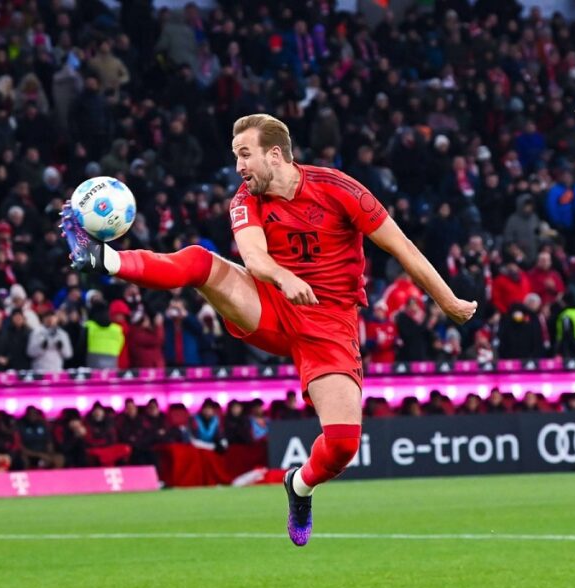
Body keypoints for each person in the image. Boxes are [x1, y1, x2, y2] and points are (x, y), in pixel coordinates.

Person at [60, 113, 476, 546]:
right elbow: (254, 258)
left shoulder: (340, 189)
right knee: (202, 262)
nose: (239, 166)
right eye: (235, 156)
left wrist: (447, 301)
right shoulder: (245, 199)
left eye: (245, 155)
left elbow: (402, 246)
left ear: (274, 154)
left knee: (343, 445)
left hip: (329, 325)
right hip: (270, 308)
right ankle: (104, 260)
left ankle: (299, 486)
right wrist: (284, 278)